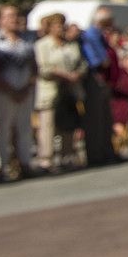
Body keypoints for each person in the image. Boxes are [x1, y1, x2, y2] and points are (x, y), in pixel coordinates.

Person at [0, 5, 38, 179]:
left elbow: (33, 66)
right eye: (9, 16)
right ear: (0, 20)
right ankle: (2, 166)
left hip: (25, 91)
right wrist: (9, 89)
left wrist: (27, 87)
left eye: (16, 15)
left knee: (24, 128)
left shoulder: (27, 40)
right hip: (4, 92)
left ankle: (25, 163)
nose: (14, 19)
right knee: (3, 129)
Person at [34, 13, 86, 170]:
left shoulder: (71, 45)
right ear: (49, 28)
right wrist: (62, 74)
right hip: (51, 90)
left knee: (68, 124)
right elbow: (43, 68)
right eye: (57, 25)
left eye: (62, 25)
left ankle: (67, 156)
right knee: (48, 125)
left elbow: (82, 63)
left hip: (69, 91)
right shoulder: (42, 45)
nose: (60, 28)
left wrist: (77, 73)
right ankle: (46, 159)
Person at [79, 8, 119, 165]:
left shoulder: (100, 35)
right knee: (95, 120)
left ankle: (106, 151)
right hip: (95, 79)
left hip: (104, 80)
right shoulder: (91, 35)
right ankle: (95, 155)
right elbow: (100, 60)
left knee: (105, 119)